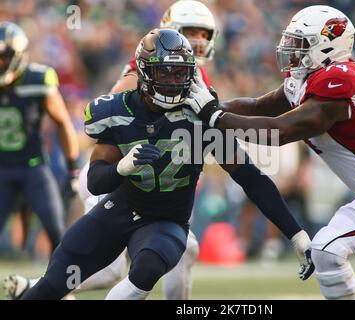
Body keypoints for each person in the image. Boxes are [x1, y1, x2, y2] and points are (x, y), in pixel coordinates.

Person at [179, 5, 355, 299]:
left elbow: (279, 131)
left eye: (300, 42)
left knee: (327, 250)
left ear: (327, 44)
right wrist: (209, 104)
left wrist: (214, 116)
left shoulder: (339, 78)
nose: (290, 48)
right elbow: (259, 107)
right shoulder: (307, 77)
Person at [20, 28, 313, 300]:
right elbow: (96, 181)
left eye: (180, 73)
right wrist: (121, 168)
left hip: (167, 222)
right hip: (119, 211)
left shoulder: (201, 118)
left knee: (146, 268)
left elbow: (250, 177)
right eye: (165, 72)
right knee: (54, 283)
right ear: (145, 72)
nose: (174, 81)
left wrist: (296, 234)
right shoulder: (116, 111)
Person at [5, 0, 219, 300]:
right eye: (189, 32)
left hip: (128, 175)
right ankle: (38, 288)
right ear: (170, 32)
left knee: (179, 250)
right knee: (110, 269)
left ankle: (37, 288)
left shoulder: (189, 76)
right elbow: (118, 115)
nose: (196, 41)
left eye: (203, 34)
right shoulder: (149, 72)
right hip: (113, 174)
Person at [0, 22, 79, 253]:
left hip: (33, 166)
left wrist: (72, 167)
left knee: (56, 230)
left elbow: (62, 122)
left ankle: (63, 287)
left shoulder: (37, 79)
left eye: (3, 56)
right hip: (1, 169)